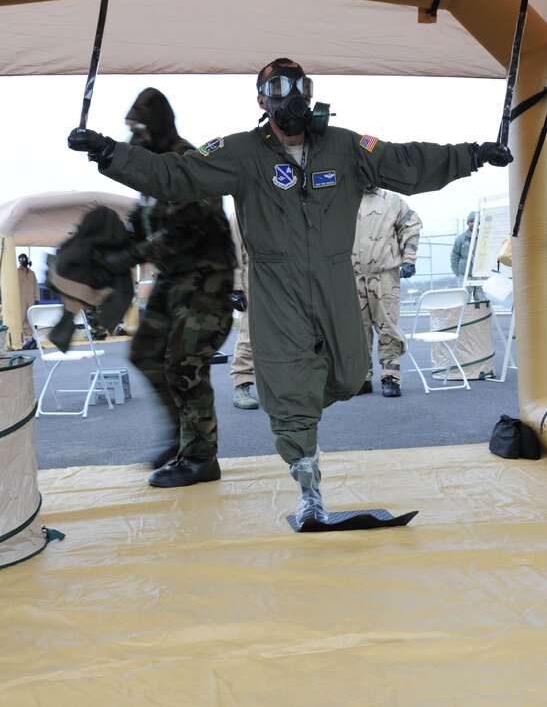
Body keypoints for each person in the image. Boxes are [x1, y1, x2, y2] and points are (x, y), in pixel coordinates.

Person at [68, 57, 513, 527]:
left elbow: (407, 162)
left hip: (335, 276)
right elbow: (176, 175)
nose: (291, 96)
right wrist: (109, 152)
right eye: (278, 88)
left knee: (350, 373)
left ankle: (301, 407)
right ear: (262, 100)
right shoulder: (239, 153)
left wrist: (475, 154)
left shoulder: (345, 147)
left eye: (299, 86)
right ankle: (307, 482)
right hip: (275, 284)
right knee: (286, 381)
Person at [98, 88, 236, 486]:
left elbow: (182, 231)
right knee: (144, 353)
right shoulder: (151, 168)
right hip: (175, 279)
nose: (134, 135)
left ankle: (200, 458)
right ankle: (182, 437)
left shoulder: (186, 164)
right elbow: (145, 220)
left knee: (184, 362)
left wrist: (127, 257)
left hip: (206, 282)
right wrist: (115, 239)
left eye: (140, 127)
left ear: (158, 126)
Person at [352, 187, 422, 398]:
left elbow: (411, 225)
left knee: (387, 326)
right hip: (352, 275)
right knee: (357, 328)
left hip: (384, 275)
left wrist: (409, 259)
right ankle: (362, 377)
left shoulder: (392, 200)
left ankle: (390, 376)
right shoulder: (347, 198)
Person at [229, 211, 260, 410]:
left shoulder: (281, 204)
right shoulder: (241, 211)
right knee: (249, 334)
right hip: (252, 279)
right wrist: (235, 287)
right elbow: (233, 250)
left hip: (281, 279)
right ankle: (242, 385)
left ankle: (280, 387)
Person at [451, 211, 486, 301]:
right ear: (467, 223)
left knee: (481, 298)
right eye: (471, 221)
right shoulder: (461, 239)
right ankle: (465, 315)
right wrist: (458, 272)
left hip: (480, 274)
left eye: (475, 221)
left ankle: (480, 314)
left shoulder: (483, 237)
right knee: (464, 299)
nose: (473, 223)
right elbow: (454, 256)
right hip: (465, 274)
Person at [17, 253, 40, 343]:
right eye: (22, 259)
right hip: (20, 300)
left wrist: (37, 298)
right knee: (20, 318)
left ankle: (29, 339)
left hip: (30, 300)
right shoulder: (16, 272)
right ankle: (19, 339)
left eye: (25, 259)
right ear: (19, 261)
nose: (24, 261)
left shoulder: (32, 273)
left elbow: (36, 286)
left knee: (30, 319)